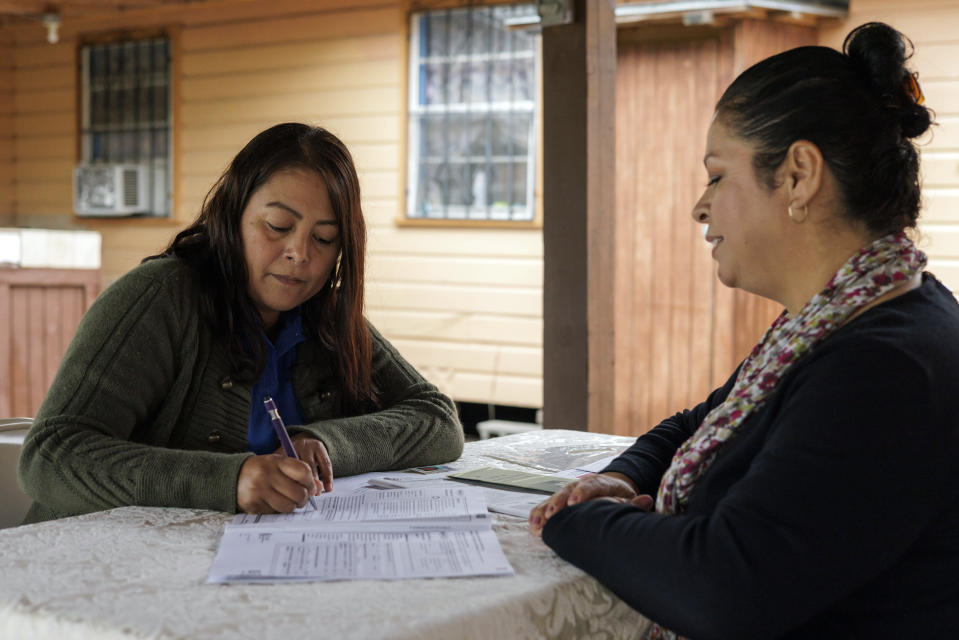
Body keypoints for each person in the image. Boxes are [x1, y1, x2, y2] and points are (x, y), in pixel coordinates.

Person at [529, 22, 959, 639]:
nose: (700, 206)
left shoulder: (883, 364)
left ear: (797, 175)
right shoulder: (842, 321)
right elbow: (696, 426)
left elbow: (725, 584)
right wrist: (618, 479)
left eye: (717, 174)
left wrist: (574, 522)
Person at [19, 123, 463, 523]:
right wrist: (230, 480)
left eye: (324, 238)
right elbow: (51, 456)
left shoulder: (325, 317)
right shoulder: (159, 298)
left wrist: (326, 443)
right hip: (89, 575)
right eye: (277, 226)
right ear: (231, 217)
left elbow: (438, 420)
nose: (300, 253)